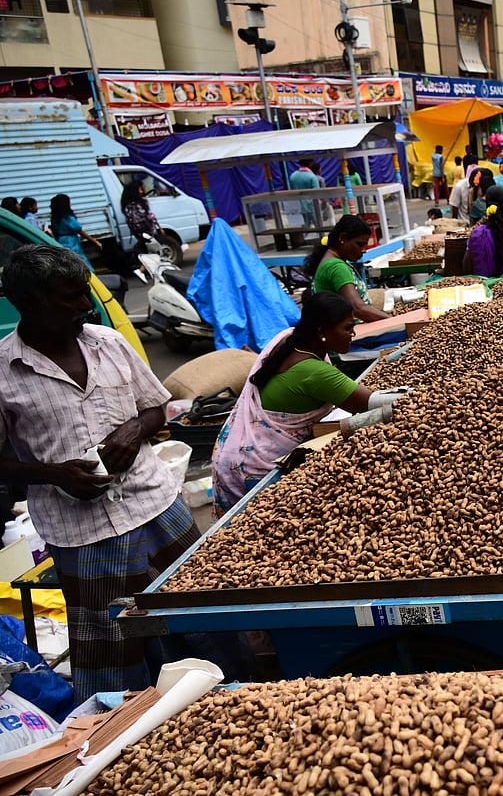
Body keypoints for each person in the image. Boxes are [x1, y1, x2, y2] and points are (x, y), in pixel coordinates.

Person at [0, 245, 221, 701]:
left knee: (199, 614)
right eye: (71, 297)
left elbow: (158, 407)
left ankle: (224, 690)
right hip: (85, 531)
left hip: (155, 502)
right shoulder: (5, 371)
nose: (86, 304)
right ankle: (118, 733)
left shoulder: (109, 343)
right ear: (32, 303)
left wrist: (134, 429)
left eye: (85, 292)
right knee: (112, 645)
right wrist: (54, 474)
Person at [211, 292, 377, 516]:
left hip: (235, 454)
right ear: (321, 332)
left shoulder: (290, 340)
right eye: (347, 328)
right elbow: (371, 404)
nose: (353, 333)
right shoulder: (314, 372)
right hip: (255, 467)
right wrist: (427, 392)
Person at [304, 214, 389, 322]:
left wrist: (382, 314)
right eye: (359, 244)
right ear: (342, 238)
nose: (363, 250)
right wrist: (393, 320)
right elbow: (358, 308)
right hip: (352, 332)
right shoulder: (337, 267)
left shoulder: (330, 261)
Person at [120, 182, 159, 251]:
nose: (142, 191)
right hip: (147, 230)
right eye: (140, 189)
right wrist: (153, 219)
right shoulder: (138, 204)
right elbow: (147, 216)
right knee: (151, 248)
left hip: (138, 231)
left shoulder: (126, 205)